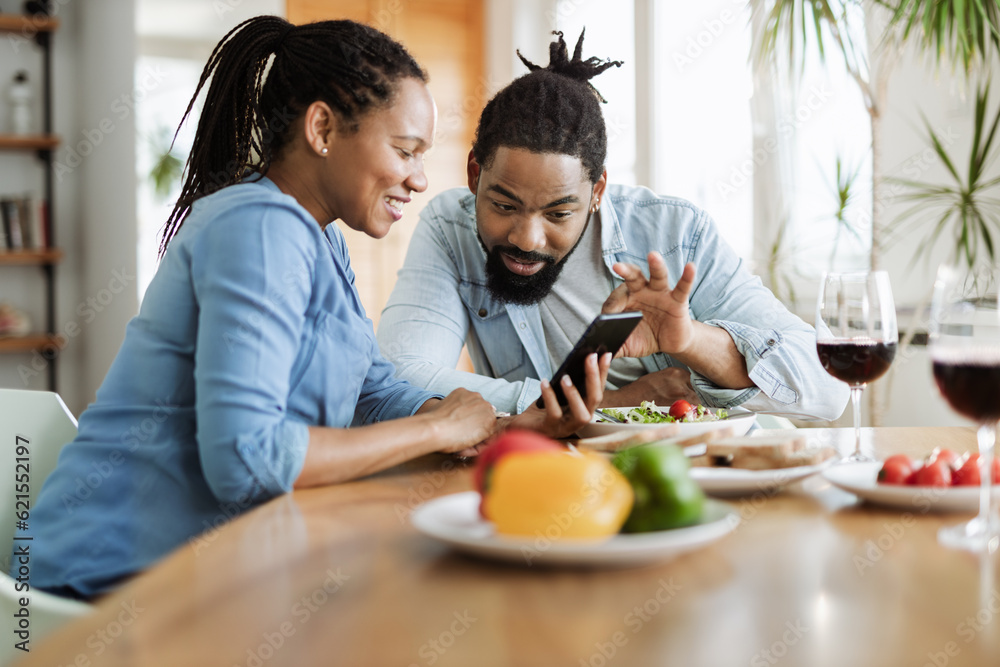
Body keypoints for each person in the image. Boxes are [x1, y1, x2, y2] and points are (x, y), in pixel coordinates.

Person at [18, 18, 605, 600]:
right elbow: (248, 459)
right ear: (322, 128)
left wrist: (500, 429)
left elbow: (370, 393)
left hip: (216, 574)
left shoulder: (318, 238)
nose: (421, 180)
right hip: (106, 591)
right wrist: (436, 426)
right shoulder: (258, 227)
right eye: (405, 151)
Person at [377, 30, 849, 421]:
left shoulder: (675, 234)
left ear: (597, 191)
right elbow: (399, 380)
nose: (526, 238)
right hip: (540, 480)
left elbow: (829, 390)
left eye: (559, 213)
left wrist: (691, 342)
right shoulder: (450, 227)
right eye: (504, 205)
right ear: (474, 175)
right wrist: (605, 405)